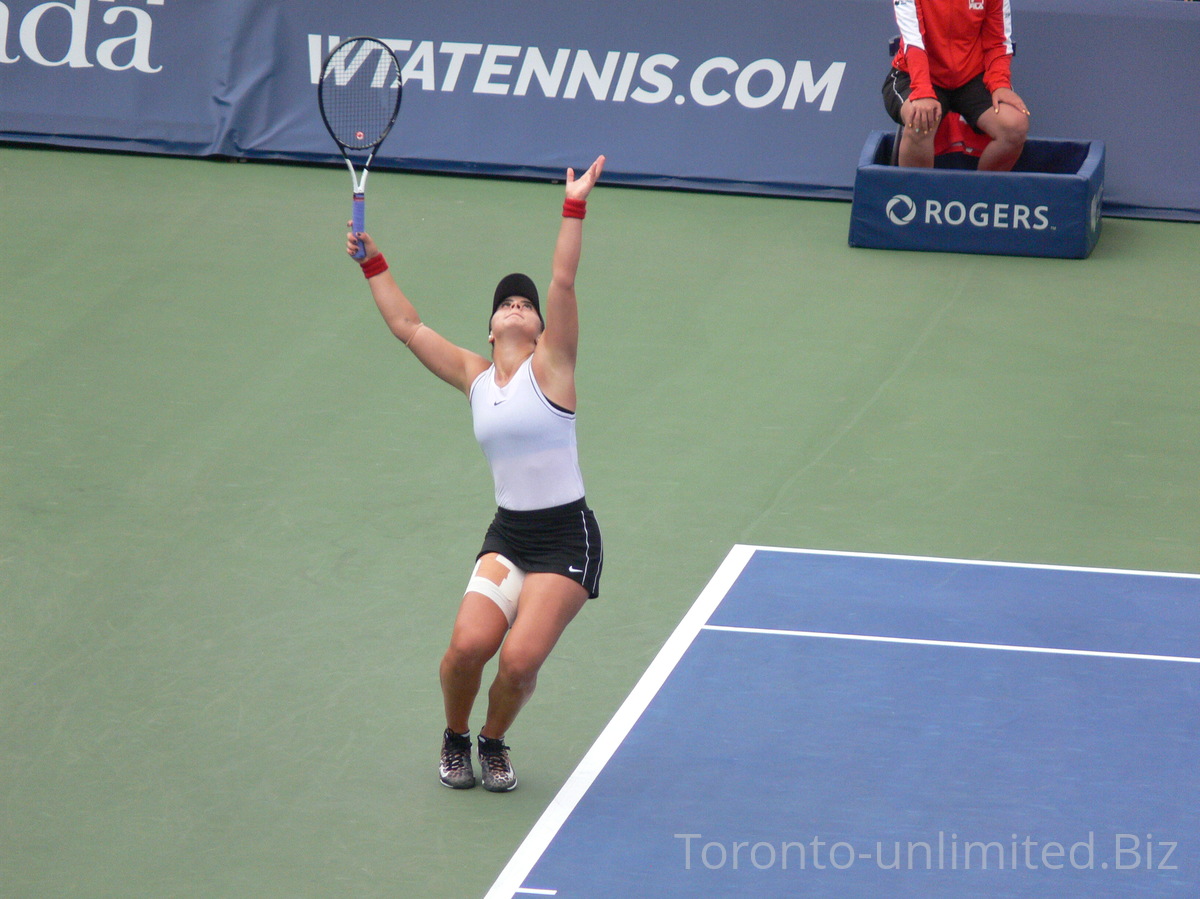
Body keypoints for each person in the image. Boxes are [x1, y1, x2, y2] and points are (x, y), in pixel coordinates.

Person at [345, 155, 607, 793]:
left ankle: (493, 741)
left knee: (517, 661)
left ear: (543, 328)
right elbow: (407, 327)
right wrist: (371, 262)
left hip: (566, 541)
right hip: (510, 537)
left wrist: (574, 205)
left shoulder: (555, 370)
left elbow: (564, 282)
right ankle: (455, 737)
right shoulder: (476, 378)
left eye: (527, 304)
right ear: (490, 331)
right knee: (467, 649)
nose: (518, 307)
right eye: (505, 304)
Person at [883, 0, 1030, 170]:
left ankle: (980, 195)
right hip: (914, 75)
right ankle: (916, 195)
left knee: (1014, 126)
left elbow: (998, 42)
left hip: (971, 77)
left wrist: (1000, 84)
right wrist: (923, 91)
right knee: (919, 121)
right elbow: (913, 42)